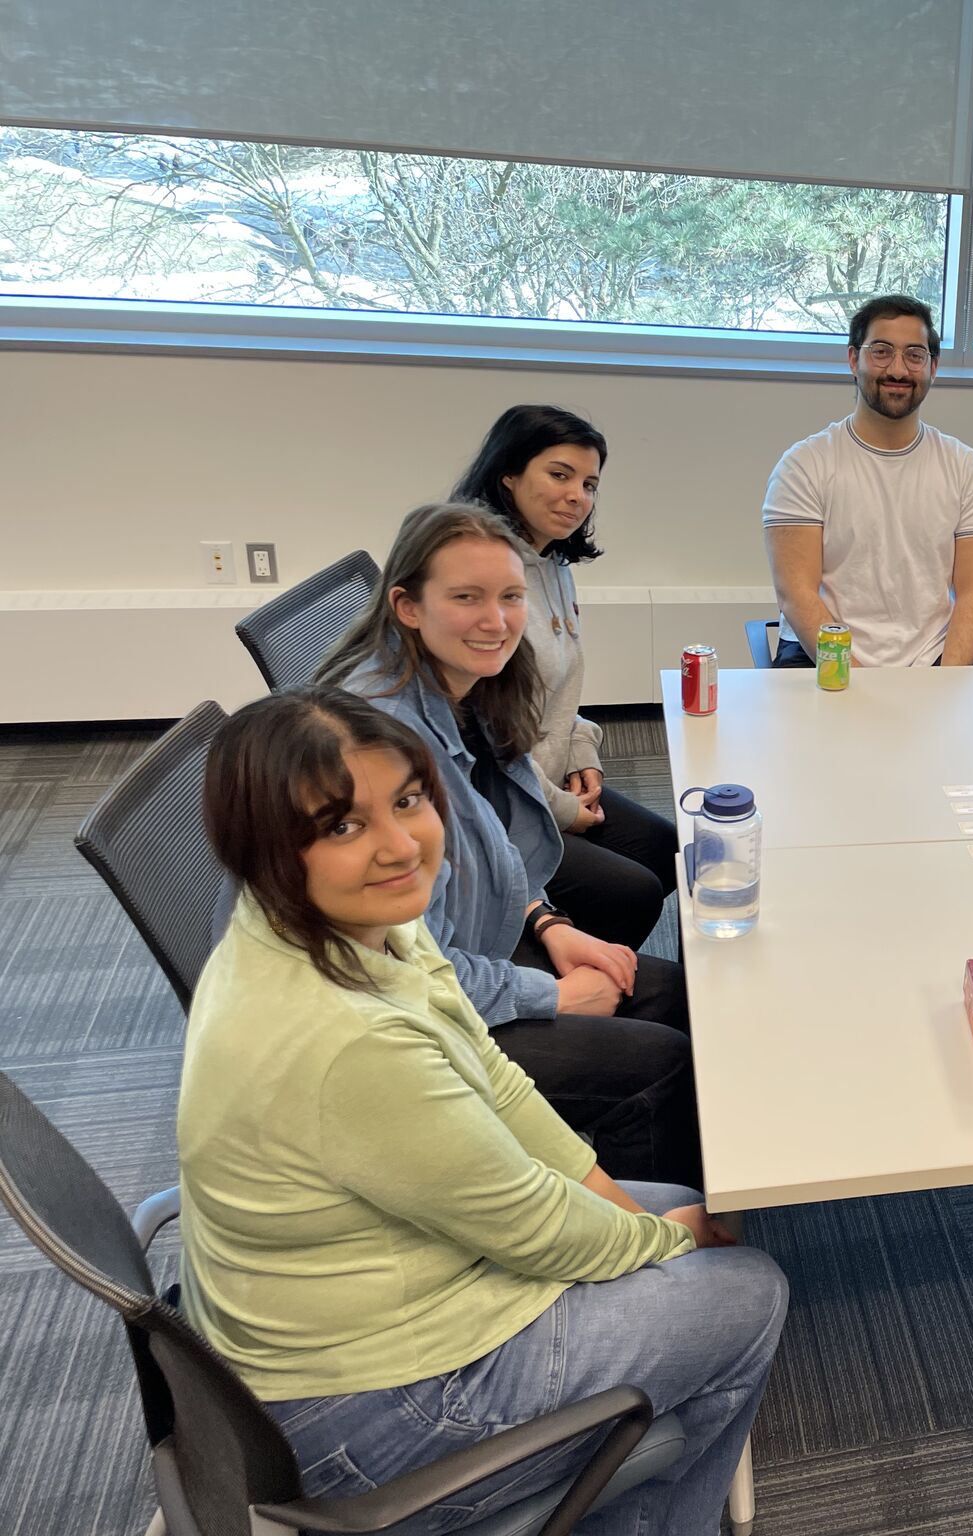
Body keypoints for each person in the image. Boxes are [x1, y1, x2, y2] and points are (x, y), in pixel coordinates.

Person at [181, 690, 784, 1534]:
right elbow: (535, 1228)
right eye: (343, 826)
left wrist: (613, 1197)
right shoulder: (344, 1041)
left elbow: (492, 1076)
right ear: (269, 851)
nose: (400, 846)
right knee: (747, 1291)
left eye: (407, 800)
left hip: (362, 1306)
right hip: (366, 1409)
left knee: (656, 1214)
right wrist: (668, 1241)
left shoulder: (359, 922)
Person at [316, 504, 700, 1187]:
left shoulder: (465, 691)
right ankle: (640, 1240)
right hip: (396, 1026)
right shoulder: (382, 751)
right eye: (466, 598)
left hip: (467, 947)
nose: (496, 622)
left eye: (510, 597)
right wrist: (545, 997)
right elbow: (399, 969)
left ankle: (646, 1186)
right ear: (406, 605)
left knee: (670, 991)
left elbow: (492, 847)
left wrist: (545, 922)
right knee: (661, 1065)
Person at [452, 403, 680, 951]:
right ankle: (555, 976)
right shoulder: (487, 584)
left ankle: (576, 950)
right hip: (501, 803)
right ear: (508, 475)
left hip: (548, 776)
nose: (578, 495)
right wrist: (561, 809)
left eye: (590, 483)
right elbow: (487, 748)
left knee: (665, 847)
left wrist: (584, 754)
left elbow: (559, 690)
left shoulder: (551, 564)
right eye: (559, 475)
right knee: (634, 891)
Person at [762, 294, 973, 667]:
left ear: (933, 368)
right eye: (882, 351)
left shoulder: (965, 467)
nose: (898, 370)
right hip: (824, 657)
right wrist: (863, 690)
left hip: (933, 660)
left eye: (914, 355)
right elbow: (797, 595)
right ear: (854, 359)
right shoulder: (804, 465)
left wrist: (944, 684)